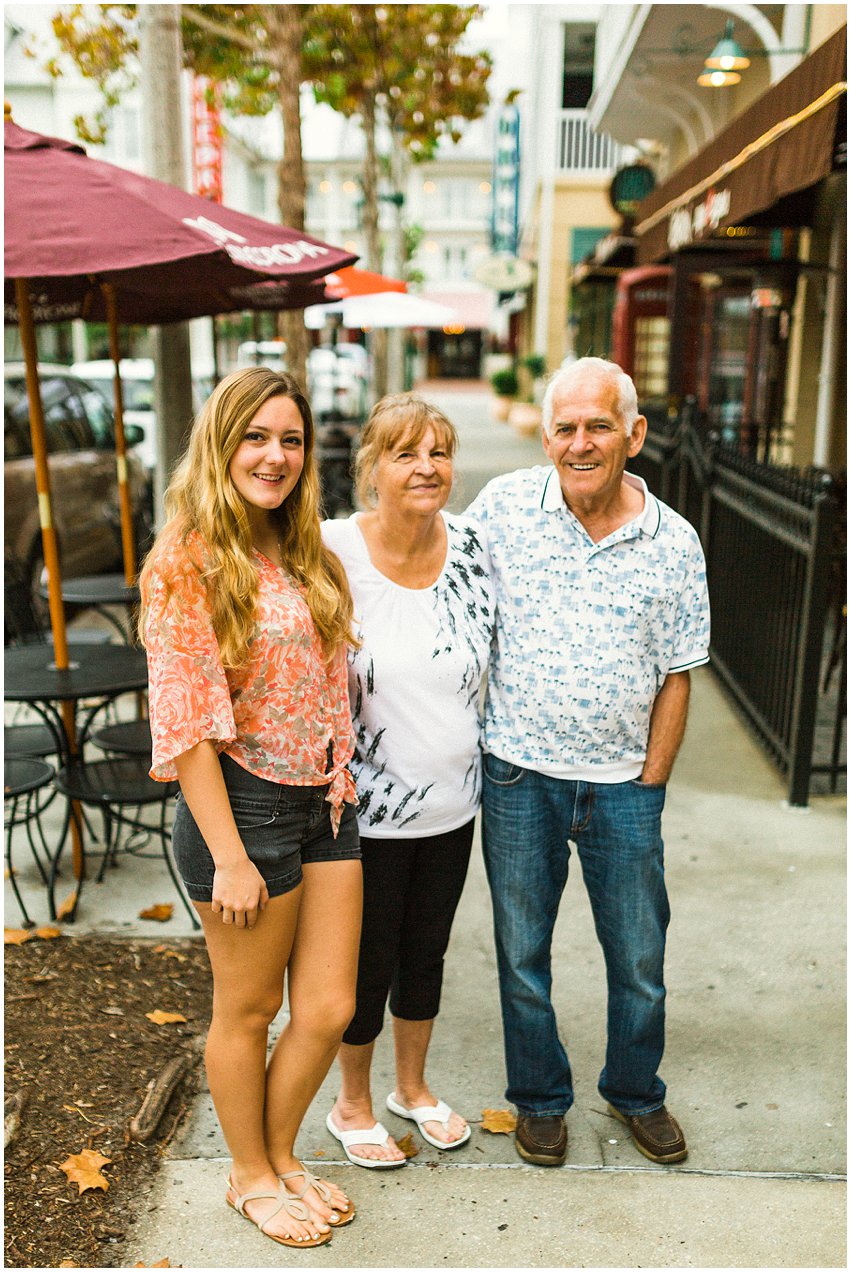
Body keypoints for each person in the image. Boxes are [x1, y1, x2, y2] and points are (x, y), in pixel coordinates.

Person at [467, 356, 710, 1168]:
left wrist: (652, 781)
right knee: (521, 952)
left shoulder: (672, 540)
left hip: (623, 788)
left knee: (639, 959)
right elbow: (431, 578)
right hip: (516, 776)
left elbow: (679, 671)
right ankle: (538, 1099)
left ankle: (635, 1090)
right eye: (565, 427)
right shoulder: (501, 510)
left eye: (598, 425)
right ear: (544, 437)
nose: (580, 442)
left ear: (632, 435)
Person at [139, 368, 363, 1248]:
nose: (275, 456)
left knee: (326, 1009)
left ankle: (277, 1155)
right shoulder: (185, 561)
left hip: (325, 799)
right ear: (221, 443)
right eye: (256, 437)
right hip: (242, 808)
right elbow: (189, 722)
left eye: (291, 440)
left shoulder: (302, 550)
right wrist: (229, 855)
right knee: (245, 1010)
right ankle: (248, 1175)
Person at [320, 393, 494, 1168]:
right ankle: (350, 1103)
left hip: (455, 803)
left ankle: (410, 1089)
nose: (426, 467)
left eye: (438, 451)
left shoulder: (476, 549)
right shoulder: (332, 551)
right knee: (367, 962)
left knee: (427, 953)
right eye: (404, 452)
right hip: (364, 812)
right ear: (372, 472)